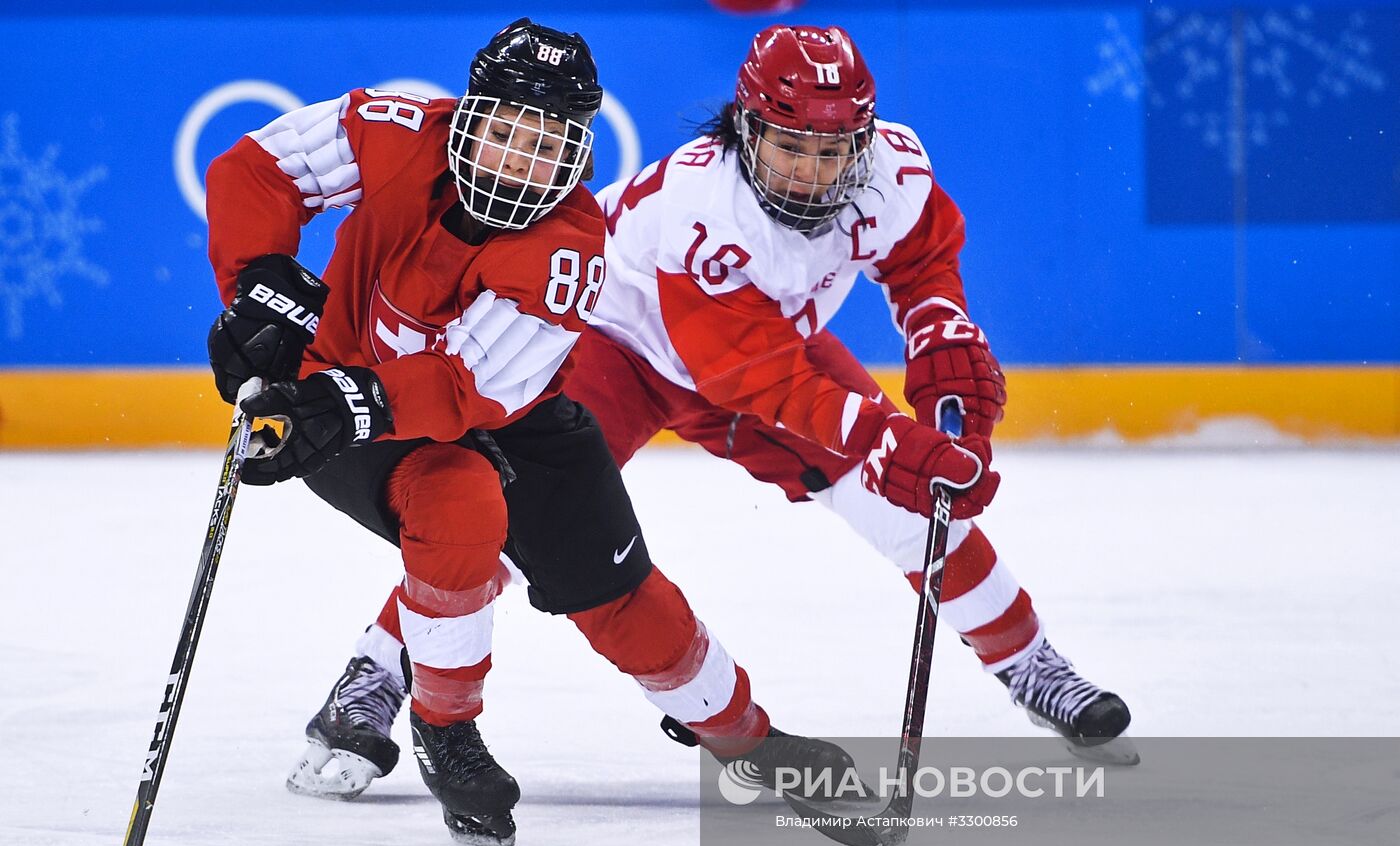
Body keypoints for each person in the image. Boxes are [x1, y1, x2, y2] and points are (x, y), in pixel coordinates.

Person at [287, 22, 1134, 806]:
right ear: (746, 128)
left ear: (864, 142)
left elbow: (921, 264)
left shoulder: (892, 173)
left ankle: (1033, 665)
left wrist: (942, 341)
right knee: (518, 524)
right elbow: (756, 381)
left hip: (767, 348)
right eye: (791, 145)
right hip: (610, 344)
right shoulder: (700, 211)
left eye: (833, 149)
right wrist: (887, 435)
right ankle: (376, 674)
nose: (811, 169)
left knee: (910, 499)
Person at [204, 18, 872, 846]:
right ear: (467, 115)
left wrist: (342, 399)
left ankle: (746, 739)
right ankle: (445, 726)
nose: (521, 160)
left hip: (495, 410)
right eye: (506, 132)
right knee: (459, 499)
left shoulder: (571, 246)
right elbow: (256, 171)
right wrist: (258, 282)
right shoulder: (395, 129)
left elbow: (466, 386)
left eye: (547, 143)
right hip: (355, 410)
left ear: (579, 152)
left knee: (627, 600)